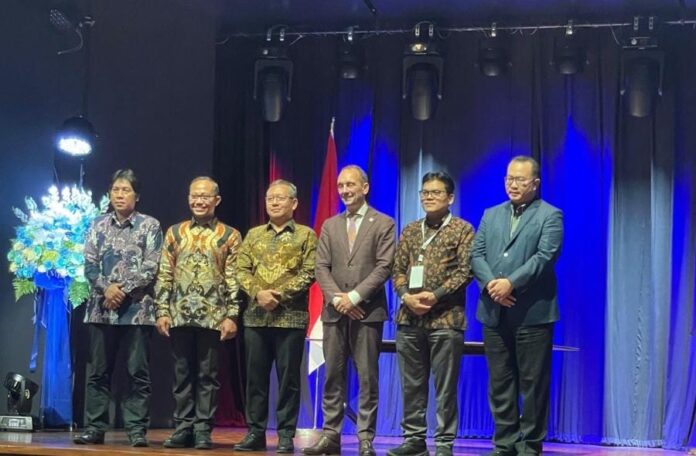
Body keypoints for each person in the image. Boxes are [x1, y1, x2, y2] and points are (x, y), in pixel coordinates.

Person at [471, 156, 563, 456]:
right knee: (499, 382)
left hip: (533, 313)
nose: (513, 184)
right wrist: (491, 285)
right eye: (509, 178)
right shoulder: (491, 214)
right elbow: (476, 255)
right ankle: (505, 444)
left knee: (533, 384)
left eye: (520, 179)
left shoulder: (550, 215)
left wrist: (510, 283)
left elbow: (544, 257)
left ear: (535, 183)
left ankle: (529, 445)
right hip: (494, 311)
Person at [303, 165, 396, 456]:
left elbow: (384, 267)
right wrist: (338, 300)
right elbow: (321, 267)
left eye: (350, 185)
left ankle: (365, 438)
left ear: (364, 188)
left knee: (367, 377)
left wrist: (354, 298)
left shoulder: (384, 223)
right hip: (334, 313)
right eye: (341, 185)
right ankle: (330, 435)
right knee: (333, 375)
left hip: (368, 313)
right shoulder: (330, 225)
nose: (344, 190)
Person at [74, 169, 163, 447]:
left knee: (138, 373)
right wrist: (107, 289)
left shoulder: (150, 226)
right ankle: (95, 427)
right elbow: (89, 265)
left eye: (125, 190)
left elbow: (151, 266)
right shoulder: (97, 225)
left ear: (137, 196)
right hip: (101, 310)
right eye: (115, 190)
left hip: (137, 311)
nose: (119, 195)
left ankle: (136, 429)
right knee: (98, 372)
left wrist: (121, 289)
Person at [388, 171, 474, 456]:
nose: (428, 197)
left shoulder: (462, 229)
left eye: (435, 192)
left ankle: (444, 442)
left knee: (445, 387)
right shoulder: (411, 230)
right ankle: (414, 439)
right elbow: (397, 269)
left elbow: (466, 271)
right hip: (409, 318)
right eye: (425, 192)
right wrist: (406, 296)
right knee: (412, 385)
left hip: (446, 320)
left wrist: (435, 295)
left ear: (450, 198)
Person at [155, 176, 242, 450]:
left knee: (208, 376)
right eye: (195, 195)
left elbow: (234, 278)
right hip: (179, 314)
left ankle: (203, 429)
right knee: (181, 374)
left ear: (217, 200)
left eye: (205, 196)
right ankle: (183, 428)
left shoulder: (229, 235)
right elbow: (165, 273)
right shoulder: (175, 233)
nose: (199, 201)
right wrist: (161, 310)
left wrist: (232, 315)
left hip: (213, 316)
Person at [233, 179, 317, 453]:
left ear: (294, 203)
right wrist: (258, 293)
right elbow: (240, 270)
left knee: (288, 381)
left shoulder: (306, 235)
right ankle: (255, 432)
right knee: (255, 379)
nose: (274, 202)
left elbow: (310, 272)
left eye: (280, 198)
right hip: (256, 318)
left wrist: (278, 295)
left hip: (290, 319)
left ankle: (285, 435)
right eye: (270, 198)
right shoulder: (254, 234)